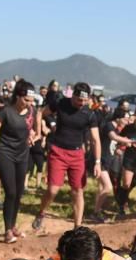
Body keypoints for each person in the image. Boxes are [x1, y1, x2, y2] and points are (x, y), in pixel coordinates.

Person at [33, 82, 101, 228]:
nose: (81, 103)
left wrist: (97, 162)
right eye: (79, 100)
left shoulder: (89, 114)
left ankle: (77, 226)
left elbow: (96, 139)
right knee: (53, 189)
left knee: (78, 190)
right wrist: (40, 131)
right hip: (58, 150)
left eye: (84, 100)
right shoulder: (60, 103)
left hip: (77, 154)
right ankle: (41, 212)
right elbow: (40, 113)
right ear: (73, 96)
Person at [0, 80, 37, 243]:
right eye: (26, 100)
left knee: (19, 193)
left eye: (31, 101)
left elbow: (28, 129)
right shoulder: (5, 111)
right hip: (5, 153)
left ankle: (13, 226)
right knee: (11, 192)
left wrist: (31, 136)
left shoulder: (31, 112)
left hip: (22, 155)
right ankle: (7, 230)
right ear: (18, 96)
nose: (29, 104)